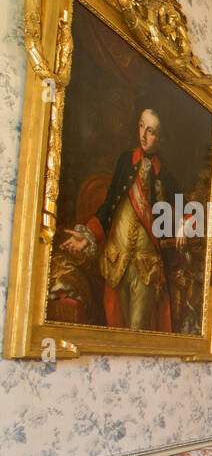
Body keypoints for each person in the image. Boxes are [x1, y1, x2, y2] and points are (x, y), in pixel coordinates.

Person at [57, 108, 187, 332]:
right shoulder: (125, 161)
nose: (143, 135)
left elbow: (187, 210)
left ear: (161, 139)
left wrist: (184, 225)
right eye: (141, 126)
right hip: (117, 259)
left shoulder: (165, 175)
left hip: (146, 265)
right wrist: (87, 236)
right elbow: (109, 206)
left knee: (137, 330)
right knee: (116, 328)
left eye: (151, 131)